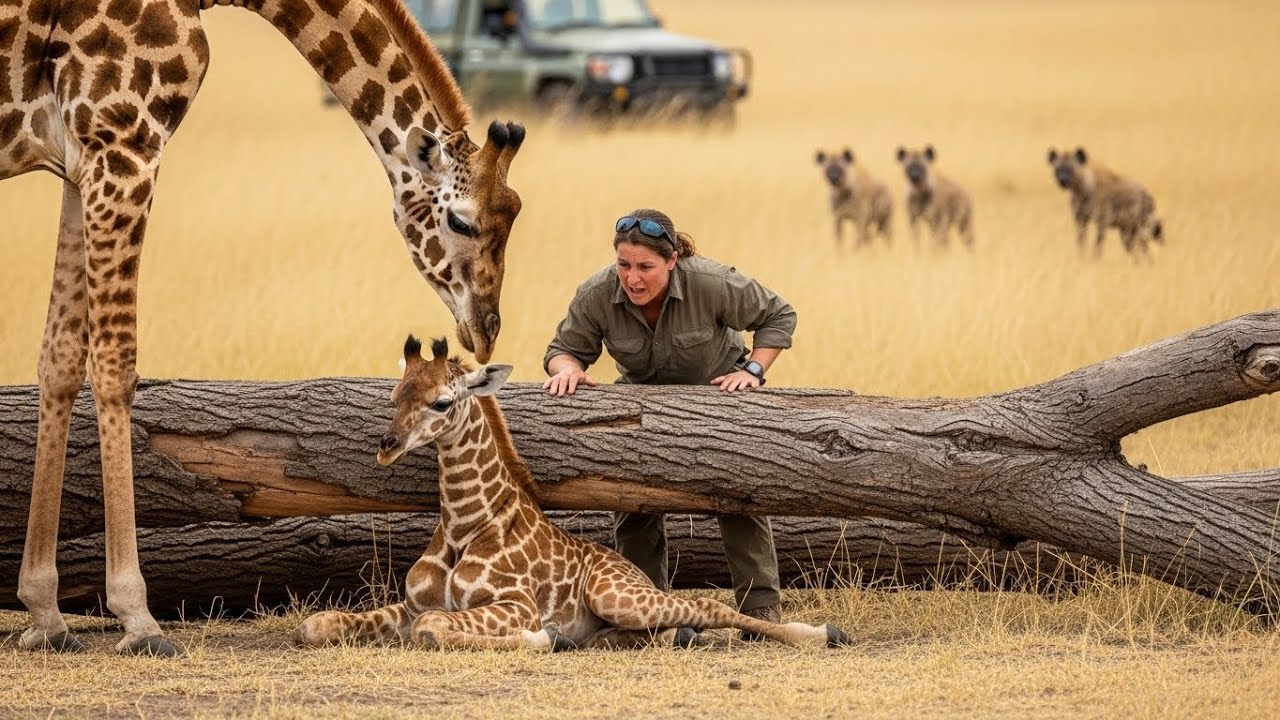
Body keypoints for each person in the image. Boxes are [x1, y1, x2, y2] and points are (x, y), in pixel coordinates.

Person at [542, 208, 797, 636]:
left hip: (718, 404)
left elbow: (779, 315)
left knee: (738, 498)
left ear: (673, 259)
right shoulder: (597, 293)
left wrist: (751, 372)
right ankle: (647, 613)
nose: (633, 278)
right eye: (624, 265)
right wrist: (567, 369)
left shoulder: (711, 283)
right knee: (632, 503)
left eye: (646, 267)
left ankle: (759, 613)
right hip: (643, 410)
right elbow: (561, 349)